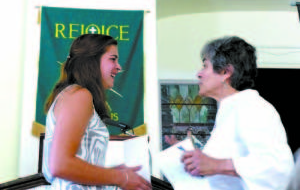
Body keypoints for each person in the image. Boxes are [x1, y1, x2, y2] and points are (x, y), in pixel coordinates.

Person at [179, 36, 294, 189]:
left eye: (205, 66)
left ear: (226, 72)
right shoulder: (230, 109)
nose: (199, 74)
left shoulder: (252, 107)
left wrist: (217, 165)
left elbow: (279, 168)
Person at [40, 34, 152, 190]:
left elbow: (77, 162)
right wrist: (121, 178)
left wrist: (112, 172)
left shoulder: (75, 95)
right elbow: (60, 165)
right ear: (91, 61)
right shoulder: (79, 95)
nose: (119, 67)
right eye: (113, 59)